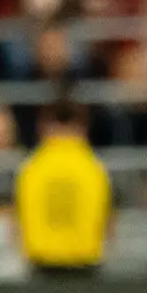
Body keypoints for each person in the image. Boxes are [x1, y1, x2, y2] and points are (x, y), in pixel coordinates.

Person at [13, 96, 113, 275]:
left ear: (42, 126)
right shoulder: (96, 168)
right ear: (83, 126)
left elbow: (16, 219)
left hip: (41, 266)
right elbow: (109, 222)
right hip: (86, 266)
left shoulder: (30, 167)